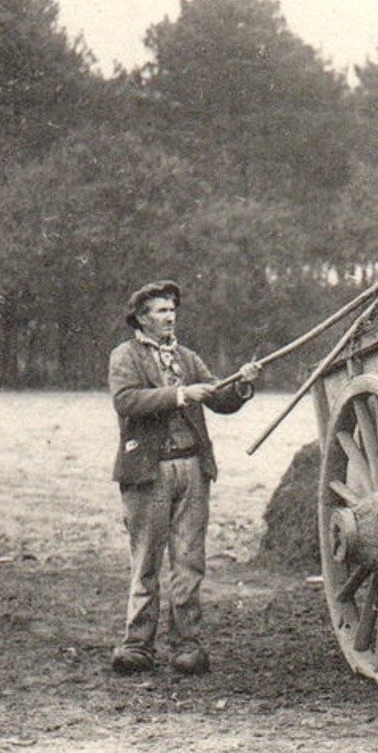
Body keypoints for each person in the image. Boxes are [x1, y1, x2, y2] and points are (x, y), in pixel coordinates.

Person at [109, 280, 261, 676]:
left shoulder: (188, 358)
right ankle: (137, 645)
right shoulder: (124, 356)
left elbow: (219, 399)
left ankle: (186, 646)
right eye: (161, 310)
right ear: (141, 318)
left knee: (189, 561)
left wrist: (241, 383)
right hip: (148, 472)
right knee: (146, 560)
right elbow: (125, 400)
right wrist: (179, 395)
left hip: (193, 469)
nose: (170, 316)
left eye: (172, 309)